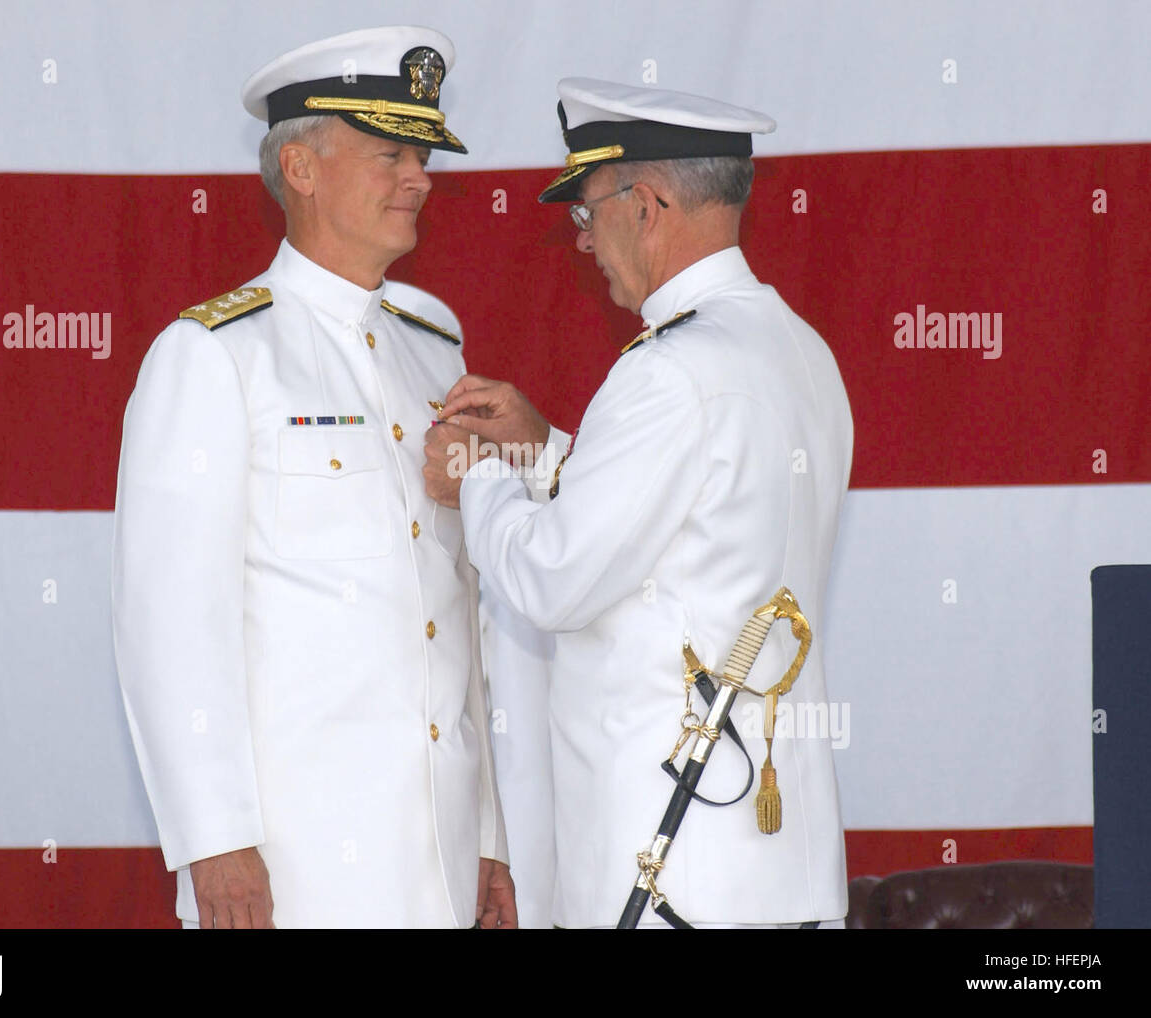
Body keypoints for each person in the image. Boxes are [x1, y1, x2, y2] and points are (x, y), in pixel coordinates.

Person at [423, 78, 854, 928]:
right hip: (775, 869)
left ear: (646, 204)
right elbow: (689, 528)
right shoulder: (799, 349)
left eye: (586, 214)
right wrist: (543, 451)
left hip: (677, 868)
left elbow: (551, 581)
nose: (584, 243)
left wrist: (477, 474)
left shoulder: (665, 370)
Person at [112, 26, 515, 929]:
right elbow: (171, 620)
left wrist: (489, 834)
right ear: (299, 166)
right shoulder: (214, 356)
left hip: (440, 856)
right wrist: (212, 841)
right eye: (392, 154)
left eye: (424, 156)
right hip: (297, 865)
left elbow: (460, 612)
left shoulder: (432, 347)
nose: (420, 177)